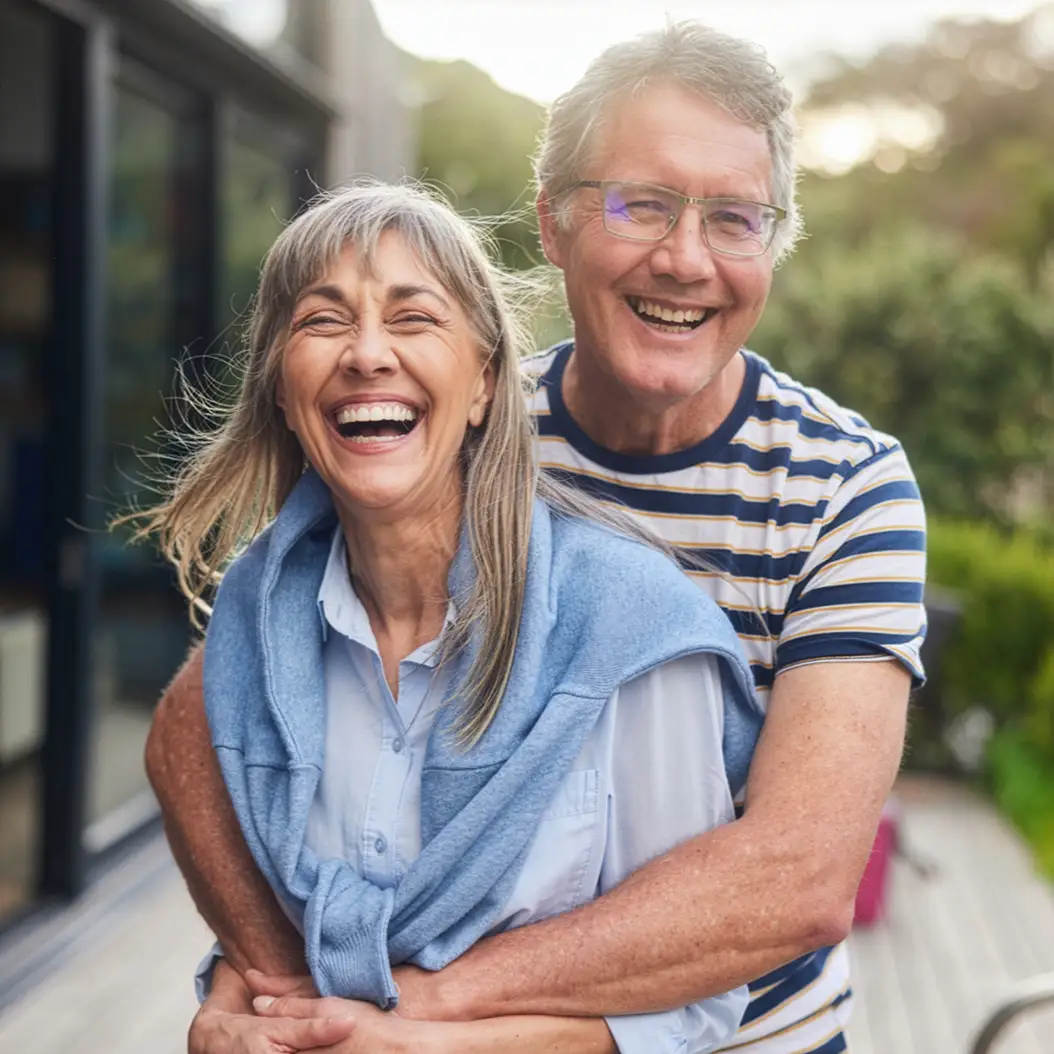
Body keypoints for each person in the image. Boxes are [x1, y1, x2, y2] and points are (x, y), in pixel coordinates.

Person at [146, 21, 927, 1054]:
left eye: (734, 218)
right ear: (553, 224)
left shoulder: (845, 485)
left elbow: (798, 876)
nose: (683, 258)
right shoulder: (439, 417)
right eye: (639, 204)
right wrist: (267, 976)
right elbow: (211, 713)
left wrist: (415, 1003)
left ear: (771, 244)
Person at [133, 179, 762, 1053]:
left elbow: (694, 1005)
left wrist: (427, 1046)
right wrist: (231, 1014)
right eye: (322, 321)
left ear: (484, 384)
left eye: (413, 318)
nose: (365, 354)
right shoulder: (258, 622)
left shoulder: (627, 629)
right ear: (283, 391)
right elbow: (291, 922)